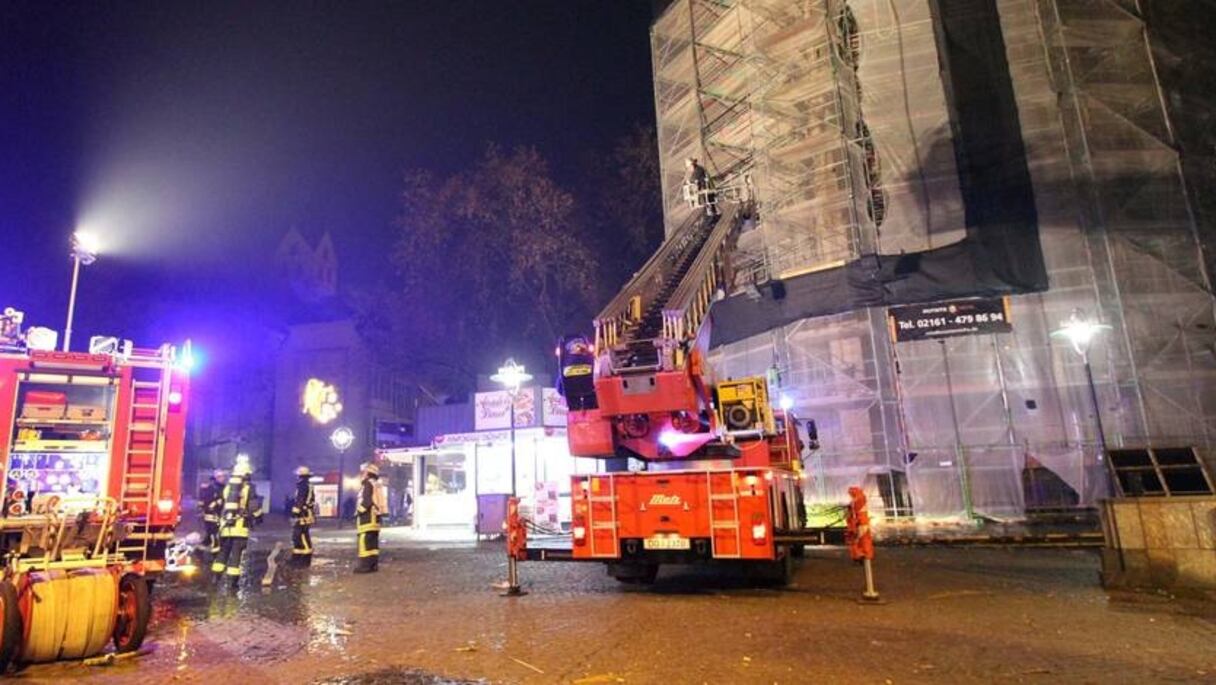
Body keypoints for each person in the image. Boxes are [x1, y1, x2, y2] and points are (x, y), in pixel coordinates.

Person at [211, 460, 258, 587]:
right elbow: (254, 506)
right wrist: (257, 517)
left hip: (226, 526)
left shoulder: (228, 487)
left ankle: (216, 578)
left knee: (223, 553)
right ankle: (232, 583)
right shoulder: (249, 488)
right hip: (240, 527)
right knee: (236, 555)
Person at [354, 463, 383, 573]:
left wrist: (358, 512)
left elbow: (366, 501)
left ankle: (364, 566)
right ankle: (373, 565)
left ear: (368, 473)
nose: (363, 474)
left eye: (364, 472)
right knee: (373, 543)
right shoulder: (377, 484)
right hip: (375, 517)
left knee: (364, 541)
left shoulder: (367, 484)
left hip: (367, 517)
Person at [290, 466, 316, 566]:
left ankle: (305, 559)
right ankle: (297, 557)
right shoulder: (308, 485)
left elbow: (300, 499)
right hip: (306, 512)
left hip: (303, 514)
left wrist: (295, 511)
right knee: (299, 535)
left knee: (301, 535)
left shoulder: (302, 485)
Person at [199, 469, 226, 559]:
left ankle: (199, 551)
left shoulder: (222, 487)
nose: (223, 478)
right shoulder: (212, 488)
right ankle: (216, 555)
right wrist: (213, 505)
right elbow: (206, 502)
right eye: (221, 477)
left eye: (223, 476)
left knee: (209, 535)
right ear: (216, 478)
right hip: (211, 514)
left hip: (217, 514)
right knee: (214, 534)